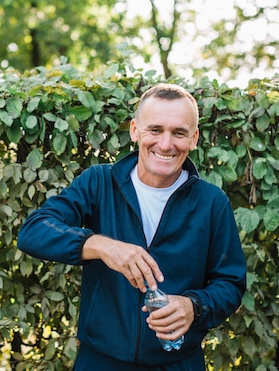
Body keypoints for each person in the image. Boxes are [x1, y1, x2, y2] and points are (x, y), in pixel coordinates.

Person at [17, 83, 247, 370]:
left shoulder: (212, 202)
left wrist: (194, 306)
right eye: (155, 130)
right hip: (99, 360)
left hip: (178, 362)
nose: (165, 144)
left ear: (194, 138)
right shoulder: (98, 182)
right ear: (135, 130)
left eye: (178, 133)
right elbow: (33, 231)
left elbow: (231, 284)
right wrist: (100, 245)